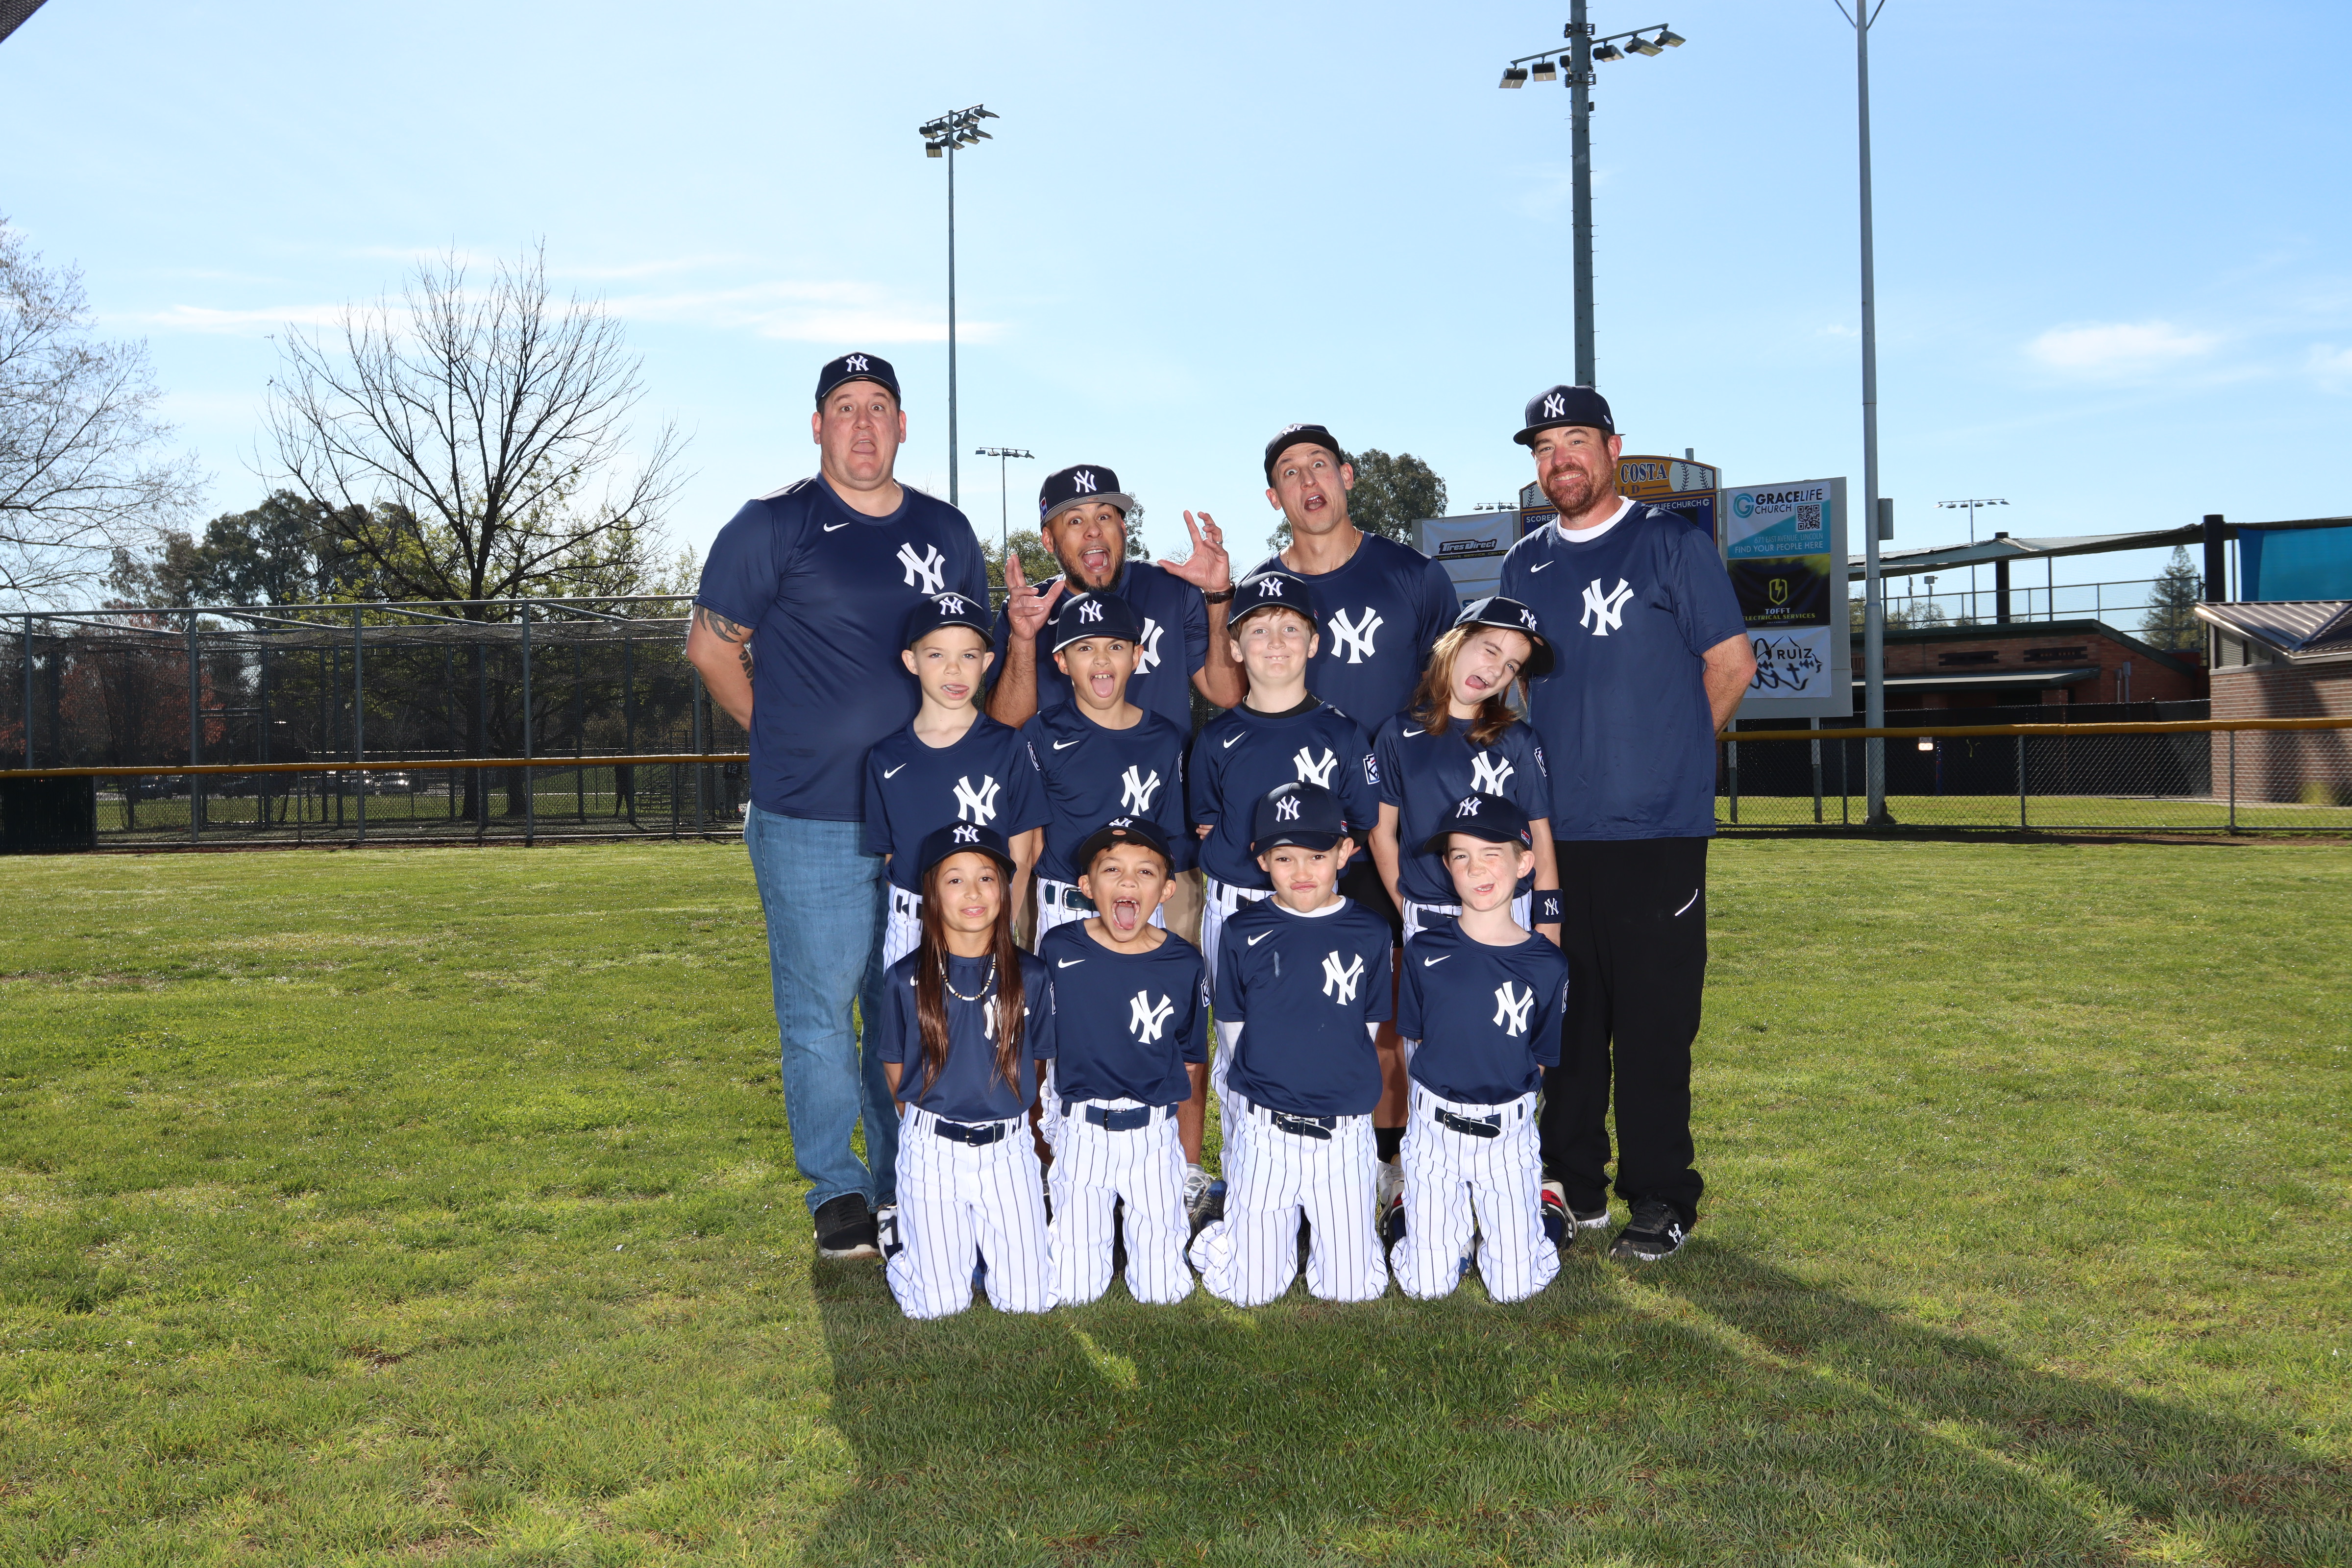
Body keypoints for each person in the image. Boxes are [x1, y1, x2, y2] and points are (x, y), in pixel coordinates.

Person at [689, 352, 988, 1264]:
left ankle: (905, 1181)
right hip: (811, 817)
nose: (863, 424)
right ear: (818, 426)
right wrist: (778, 730)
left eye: (879, 407)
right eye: (845, 408)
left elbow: (969, 660)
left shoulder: (946, 529)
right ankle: (839, 1192)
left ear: (903, 426)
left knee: (907, 1008)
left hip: (924, 820)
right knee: (820, 1014)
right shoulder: (774, 523)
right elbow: (709, 648)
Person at [1495, 384, 1756, 1263]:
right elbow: (1514, 687)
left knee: (1653, 1024)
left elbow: (1732, 664)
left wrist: (1670, 759)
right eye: (1544, 448)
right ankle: (1572, 1184)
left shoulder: (1670, 543)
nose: (1560, 459)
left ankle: (1660, 1194)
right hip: (1555, 837)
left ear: (1613, 449)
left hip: (1655, 836)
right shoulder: (1524, 565)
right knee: (1567, 1021)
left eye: (1576, 440)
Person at [1246, 423, 1462, 1206]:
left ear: (1346, 476)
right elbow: (1237, 703)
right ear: (1274, 496)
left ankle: (1400, 1162)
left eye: (1320, 466)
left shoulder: (1413, 576)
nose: (1308, 483)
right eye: (1290, 473)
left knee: (1401, 1003)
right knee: (1309, 1001)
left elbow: (1453, 696)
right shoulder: (1262, 590)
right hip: (1299, 838)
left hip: (1398, 829)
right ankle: (1319, 1159)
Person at [987, 463, 1244, 951]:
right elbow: (1004, 729)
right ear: (1049, 539)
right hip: (1060, 867)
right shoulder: (1030, 608)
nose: (1093, 531)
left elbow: (1226, 692)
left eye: (1105, 516)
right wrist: (1023, 640)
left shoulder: (1169, 590)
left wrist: (1216, 597)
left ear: (1124, 527)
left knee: (1168, 988)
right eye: (1075, 520)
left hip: (1162, 860)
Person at [1187, 783, 1394, 1307]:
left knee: (1351, 1290)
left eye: (1317, 856)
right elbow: (1232, 1026)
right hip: (1267, 1132)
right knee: (1250, 1291)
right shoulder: (1242, 930)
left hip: (1342, 1132)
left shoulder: (1370, 930)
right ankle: (1219, 1231)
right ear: (1262, 860)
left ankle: (1340, 1235)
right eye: (1284, 857)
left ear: (1345, 853)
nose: (1302, 871)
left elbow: (1368, 1025)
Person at [1388, 794, 1569, 1303]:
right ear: (1448, 868)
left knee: (1514, 1288)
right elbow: (1416, 1042)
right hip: (1435, 1132)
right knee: (1426, 1286)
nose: (1476, 868)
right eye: (1461, 856)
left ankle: (1546, 1210)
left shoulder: (1548, 964)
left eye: (1492, 853)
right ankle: (1407, 1209)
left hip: (1506, 1136)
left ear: (1524, 863)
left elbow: (1539, 1058)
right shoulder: (1425, 949)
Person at [877, 823, 1056, 1318]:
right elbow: (895, 1064)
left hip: (1008, 1150)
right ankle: (900, 1242)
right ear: (933, 895)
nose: (973, 892)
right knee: (938, 1307)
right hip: (932, 1152)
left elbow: (1035, 1061)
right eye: (955, 880)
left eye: (986, 878)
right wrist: (924, 1121)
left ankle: (967, 1245)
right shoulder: (905, 978)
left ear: (1004, 890)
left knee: (1027, 1302)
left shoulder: (1032, 974)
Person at [1037, 818, 1209, 1307]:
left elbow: (1190, 1059)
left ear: (1167, 890)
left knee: (1163, 1291)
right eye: (1112, 869)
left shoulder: (1183, 962)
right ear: (1087, 886)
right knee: (1075, 1290)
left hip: (1151, 1135)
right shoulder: (1059, 948)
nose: (1128, 881)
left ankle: (1215, 1236)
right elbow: (1042, 1047)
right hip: (1083, 1132)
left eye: (1146, 871)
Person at [865, 592, 1050, 967]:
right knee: (910, 1009)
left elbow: (1023, 854)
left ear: (987, 662)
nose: (954, 670)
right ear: (911, 661)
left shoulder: (1009, 747)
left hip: (987, 921)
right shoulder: (886, 757)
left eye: (968, 656)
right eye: (937, 655)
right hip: (912, 926)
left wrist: (999, 927)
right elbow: (892, 858)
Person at [1370, 595, 1562, 944]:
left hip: (1507, 912)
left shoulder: (1519, 739)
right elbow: (1381, 833)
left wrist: (1550, 923)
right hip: (1427, 916)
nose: (1496, 672)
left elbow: (1539, 834)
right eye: (1490, 651)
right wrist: (1407, 906)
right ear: (1456, 642)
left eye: (1512, 666)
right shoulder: (1396, 734)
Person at [1017, 590, 1191, 941]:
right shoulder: (1041, 732)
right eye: (1085, 648)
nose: (1101, 659)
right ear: (1062, 661)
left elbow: (1164, 836)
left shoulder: (1165, 737)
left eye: (1115, 646)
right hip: (1066, 908)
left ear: (1136, 656)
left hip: (1140, 907)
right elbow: (1028, 848)